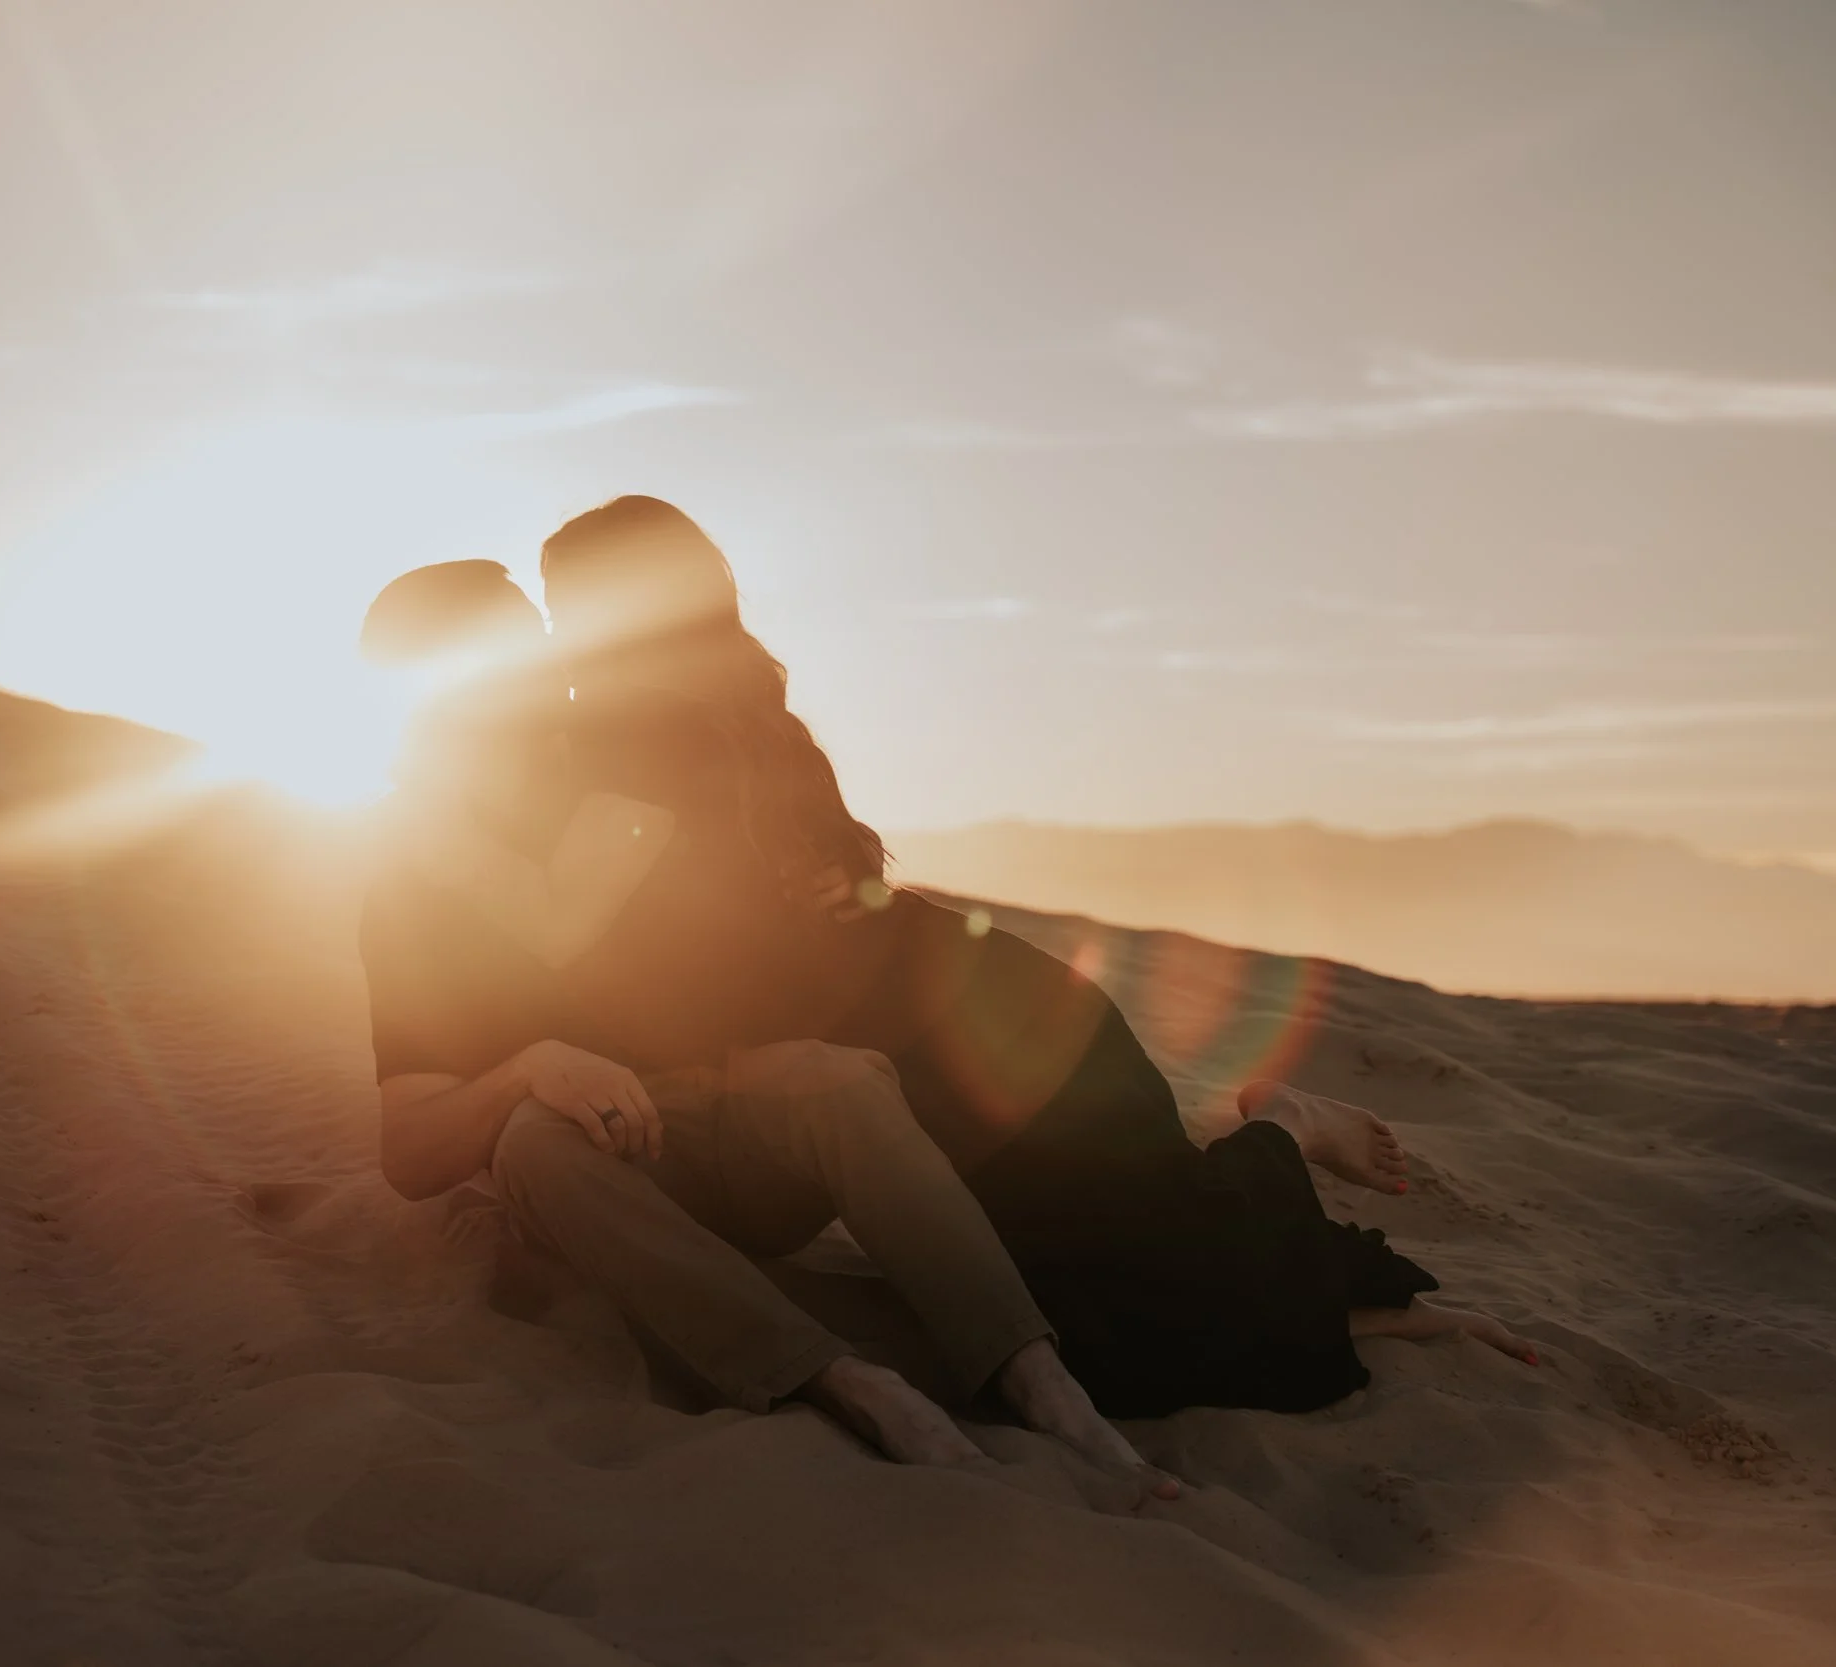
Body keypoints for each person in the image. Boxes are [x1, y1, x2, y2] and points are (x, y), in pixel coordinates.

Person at [512, 496, 1538, 1418]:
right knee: (1093, 1309)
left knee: (1127, 1262)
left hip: (970, 1014)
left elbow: (608, 922)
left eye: (572, 605)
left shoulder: (707, 732)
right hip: (911, 1045)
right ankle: (1300, 1215)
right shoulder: (618, 735)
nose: (562, 634)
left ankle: (1282, 1123)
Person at [354, 560, 1185, 1503]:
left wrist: (841, 874)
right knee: (536, 1143)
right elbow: (407, 1144)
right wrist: (525, 1070)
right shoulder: (408, 872)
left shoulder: (626, 763)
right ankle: (844, 1382)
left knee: (835, 1077)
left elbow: (779, 839)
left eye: (536, 643)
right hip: (615, 1183)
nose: (544, 668)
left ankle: (1045, 1385)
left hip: (738, 1127)